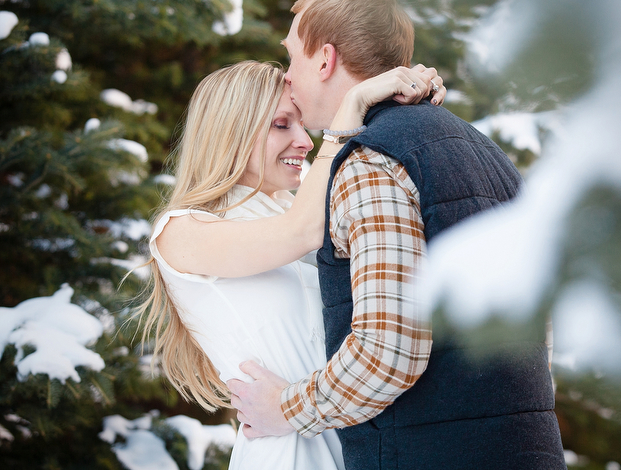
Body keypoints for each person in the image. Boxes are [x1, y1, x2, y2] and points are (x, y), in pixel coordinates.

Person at [227, 0, 567, 470]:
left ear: (324, 60)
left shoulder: (371, 161)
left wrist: (284, 409)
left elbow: (387, 351)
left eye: (292, 59)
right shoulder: (487, 152)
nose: (288, 78)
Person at [138, 60, 445, 469]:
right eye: (282, 125)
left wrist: (412, 100)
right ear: (231, 131)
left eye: (305, 126)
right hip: (290, 454)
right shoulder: (181, 231)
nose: (306, 141)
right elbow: (297, 233)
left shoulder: (305, 209)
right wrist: (352, 104)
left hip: (361, 443)